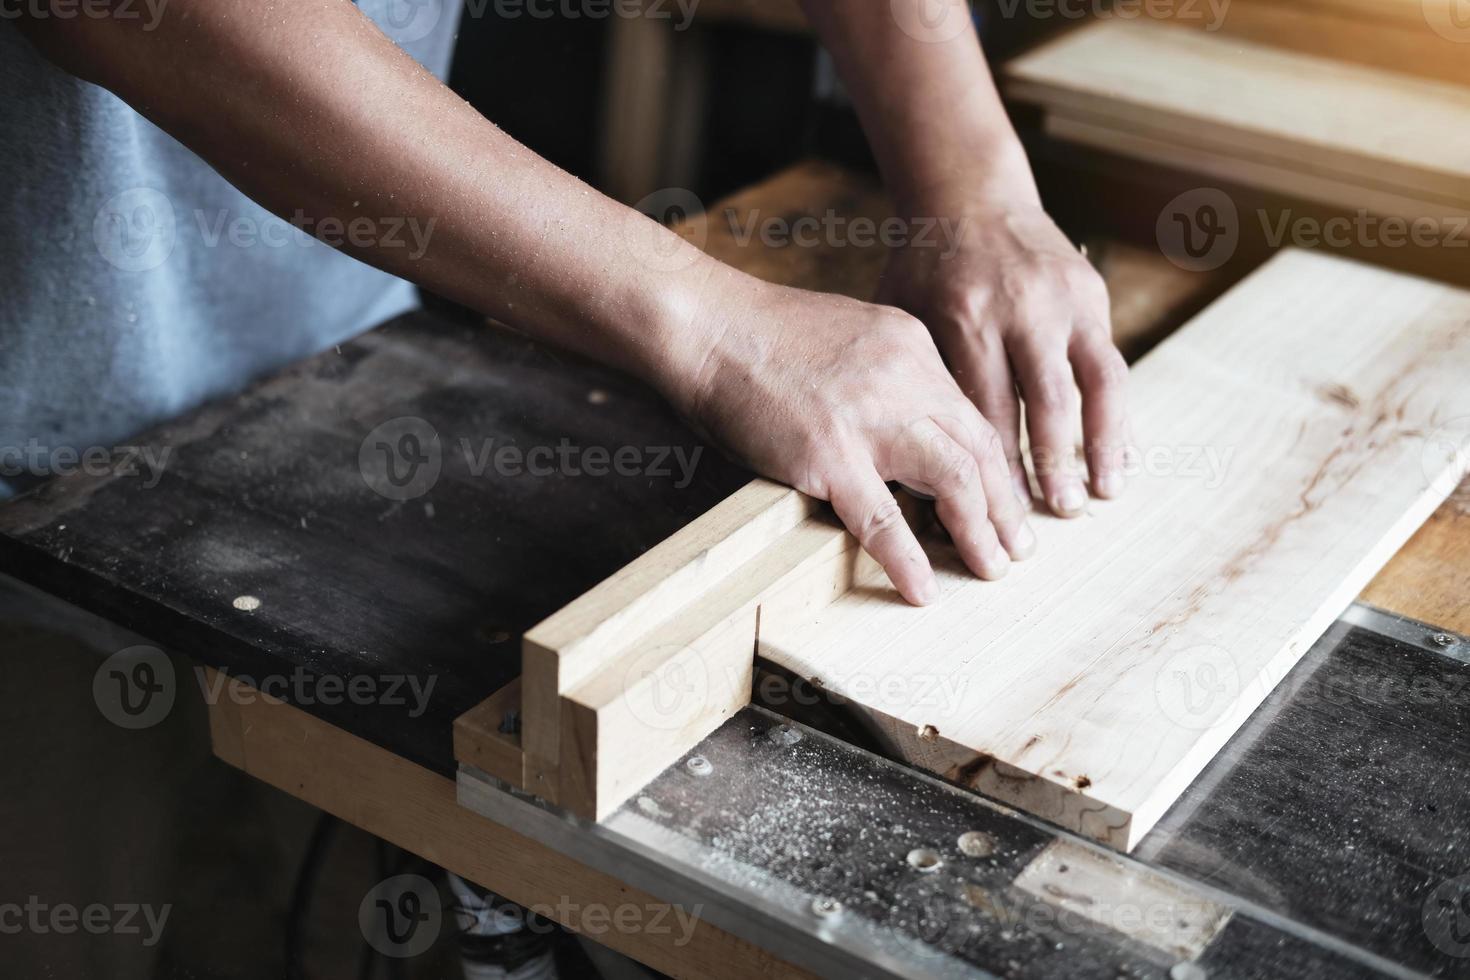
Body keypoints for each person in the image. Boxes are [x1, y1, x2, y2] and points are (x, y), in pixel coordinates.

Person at [1, 1, 1128, 975]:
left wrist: (975, 187)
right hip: (42, 408)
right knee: (79, 887)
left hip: (338, 307)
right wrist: (718, 328)